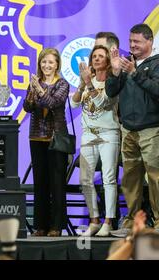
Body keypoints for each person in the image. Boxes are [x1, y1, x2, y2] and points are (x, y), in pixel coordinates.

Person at [106, 23, 159, 237]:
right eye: (130, 41)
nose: (132, 46)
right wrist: (116, 72)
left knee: (155, 177)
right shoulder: (126, 64)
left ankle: (157, 221)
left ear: (150, 42)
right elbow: (111, 92)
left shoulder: (156, 63)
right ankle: (131, 221)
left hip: (151, 130)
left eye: (137, 42)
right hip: (127, 130)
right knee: (130, 178)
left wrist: (135, 73)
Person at [71, 45, 120, 237]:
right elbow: (75, 103)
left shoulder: (112, 81)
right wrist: (83, 84)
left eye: (101, 56)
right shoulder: (86, 79)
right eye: (94, 56)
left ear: (108, 61)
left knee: (108, 178)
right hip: (88, 134)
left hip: (108, 133)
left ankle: (108, 221)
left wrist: (89, 84)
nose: (97, 59)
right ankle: (94, 221)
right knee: (85, 179)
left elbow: (102, 103)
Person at [23, 48, 69, 237]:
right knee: (40, 183)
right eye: (44, 62)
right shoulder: (35, 83)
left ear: (57, 64)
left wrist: (40, 90)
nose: (47, 65)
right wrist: (32, 94)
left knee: (57, 183)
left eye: (50, 62)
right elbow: (27, 108)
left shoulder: (62, 84)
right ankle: (40, 226)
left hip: (56, 138)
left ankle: (56, 226)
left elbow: (52, 103)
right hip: (36, 137)